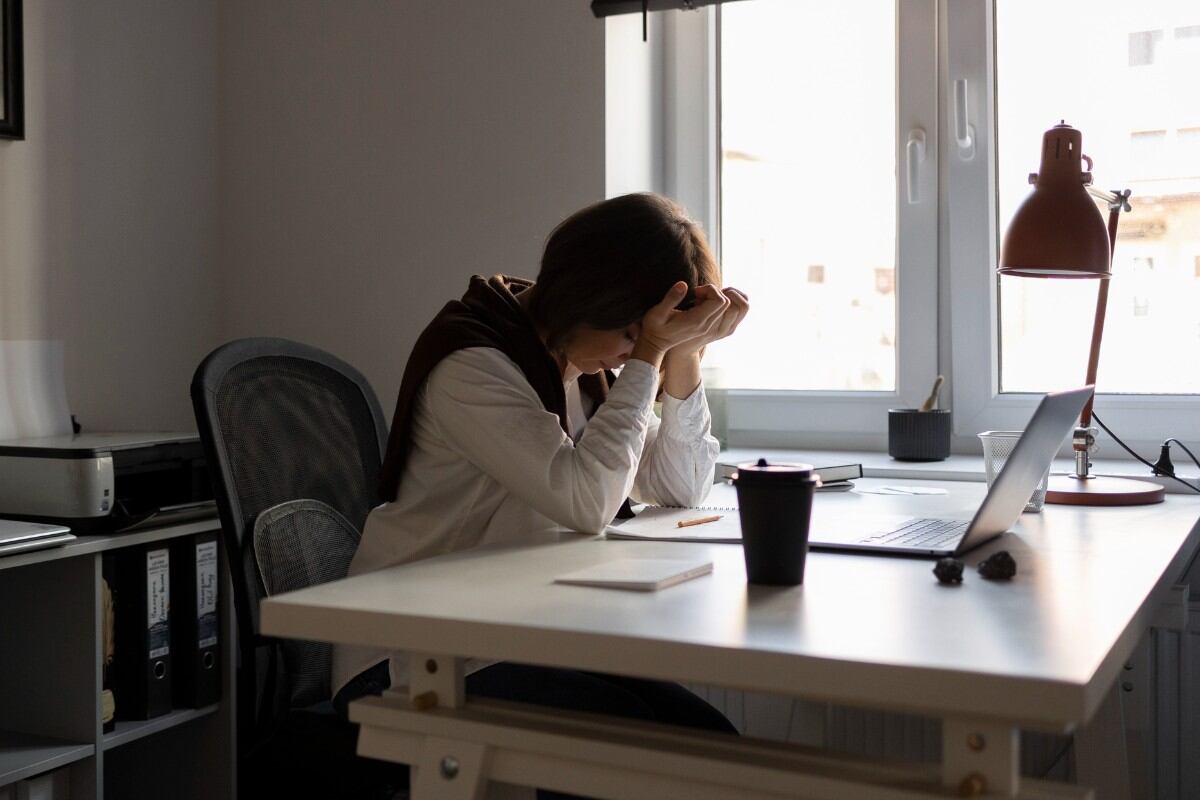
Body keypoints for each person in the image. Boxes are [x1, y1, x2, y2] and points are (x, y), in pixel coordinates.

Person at [332, 193, 748, 794]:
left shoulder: (586, 367)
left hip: (511, 637)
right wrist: (650, 356)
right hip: (411, 659)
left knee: (712, 748)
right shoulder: (474, 363)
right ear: (589, 298)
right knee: (658, 766)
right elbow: (586, 502)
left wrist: (683, 353)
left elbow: (680, 488)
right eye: (630, 333)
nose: (633, 354)